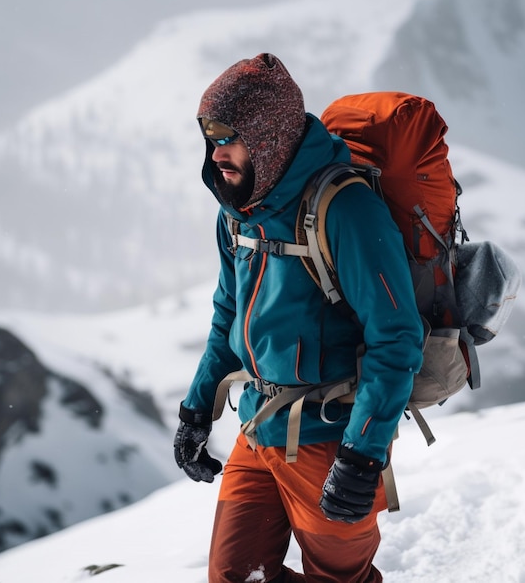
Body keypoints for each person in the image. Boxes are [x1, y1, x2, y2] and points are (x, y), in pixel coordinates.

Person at [174, 53, 424, 582]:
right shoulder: (238, 213)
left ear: (267, 135)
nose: (216, 151)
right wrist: (197, 410)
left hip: (331, 439)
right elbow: (228, 315)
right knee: (232, 576)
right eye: (209, 136)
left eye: (228, 136)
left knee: (338, 580)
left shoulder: (347, 210)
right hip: (258, 425)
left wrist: (362, 455)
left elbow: (396, 339)